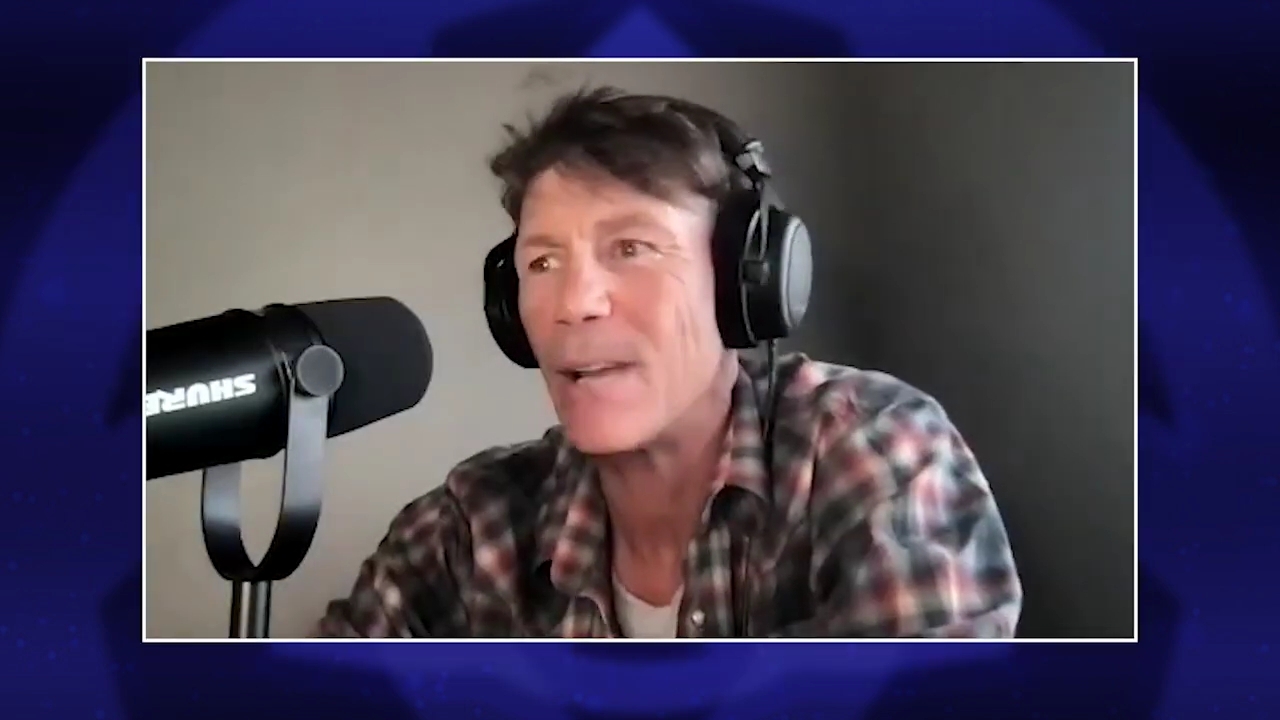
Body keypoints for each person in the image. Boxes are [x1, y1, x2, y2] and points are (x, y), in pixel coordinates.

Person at [315, 87, 1023, 638]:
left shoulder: (871, 453)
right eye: (543, 262)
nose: (575, 303)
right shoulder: (470, 529)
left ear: (743, 282)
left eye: (632, 248)